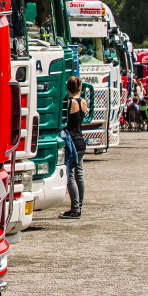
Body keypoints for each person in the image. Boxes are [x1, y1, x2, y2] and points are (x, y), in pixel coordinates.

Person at [60, 76, 88, 219]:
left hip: (71, 142)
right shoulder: (83, 102)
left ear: (68, 87)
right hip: (81, 141)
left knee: (70, 176)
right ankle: (79, 205)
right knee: (79, 175)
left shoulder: (69, 102)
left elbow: (64, 121)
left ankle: (75, 209)